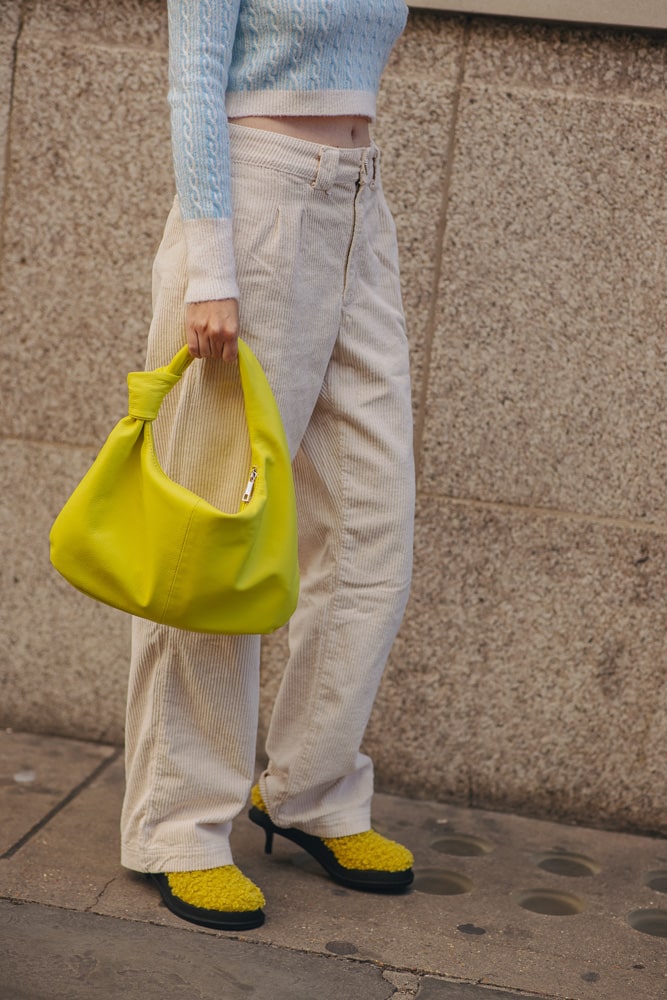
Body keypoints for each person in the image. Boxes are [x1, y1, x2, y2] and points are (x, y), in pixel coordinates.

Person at [120, 0, 416, 931]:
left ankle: (312, 789)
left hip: (358, 201)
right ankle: (179, 826)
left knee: (372, 521)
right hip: (254, 202)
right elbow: (194, 71)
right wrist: (211, 261)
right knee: (215, 526)